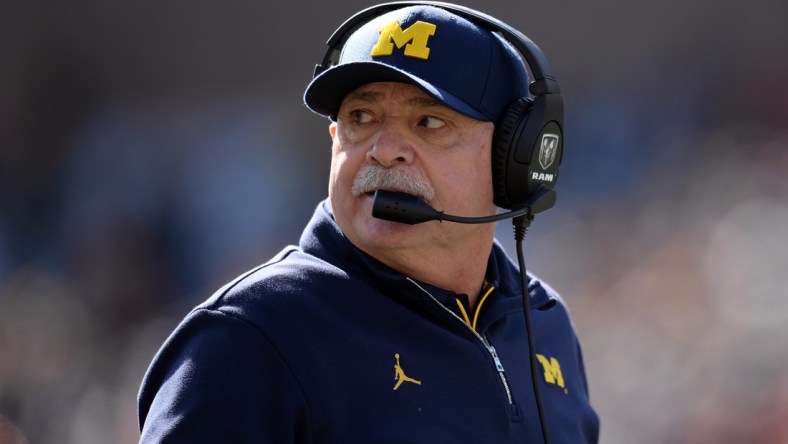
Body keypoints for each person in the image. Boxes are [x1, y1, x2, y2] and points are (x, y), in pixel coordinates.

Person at [138, 3, 599, 443]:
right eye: (362, 117)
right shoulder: (250, 337)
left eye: (430, 122)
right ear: (335, 138)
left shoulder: (544, 319)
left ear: (513, 160)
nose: (383, 149)